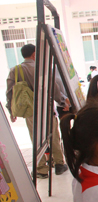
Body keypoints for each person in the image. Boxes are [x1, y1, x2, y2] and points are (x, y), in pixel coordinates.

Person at [5, 44, 68, 179]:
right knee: (53, 136)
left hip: (30, 111)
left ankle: (41, 169)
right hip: (46, 108)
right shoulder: (43, 68)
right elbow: (54, 89)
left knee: (36, 139)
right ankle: (59, 164)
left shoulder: (14, 71)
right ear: (34, 54)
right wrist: (63, 101)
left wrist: (11, 111)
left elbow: (10, 93)